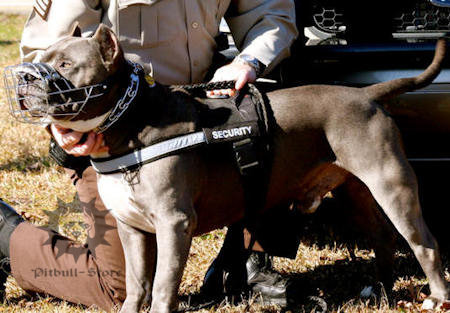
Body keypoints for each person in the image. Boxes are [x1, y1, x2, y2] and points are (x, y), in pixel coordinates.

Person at [0, 0, 298, 310]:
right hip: (110, 134)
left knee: (280, 140)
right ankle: (5, 235)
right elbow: (50, 54)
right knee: (120, 288)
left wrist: (247, 60)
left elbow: (271, 12)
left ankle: (242, 259)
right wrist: (59, 124)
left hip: (199, 118)